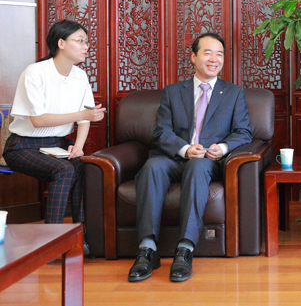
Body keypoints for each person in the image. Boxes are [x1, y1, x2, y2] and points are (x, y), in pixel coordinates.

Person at [128, 33, 252, 283]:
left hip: (208, 160)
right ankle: (147, 249)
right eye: (208, 53)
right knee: (152, 166)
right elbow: (161, 132)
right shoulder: (173, 92)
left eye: (219, 54)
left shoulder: (233, 93)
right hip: (176, 157)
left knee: (197, 167)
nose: (214, 59)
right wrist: (184, 149)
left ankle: (185, 249)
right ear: (193, 57)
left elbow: (243, 132)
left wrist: (223, 148)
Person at [2, 20, 106, 254]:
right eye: (80, 41)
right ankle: (51, 242)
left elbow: (86, 118)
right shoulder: (35, 72)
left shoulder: (80, 76)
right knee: (64, 169)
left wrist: (78, 147)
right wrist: (82, 114)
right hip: (22, 147)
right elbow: (38, 120)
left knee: (81, 164)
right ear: (61, 43)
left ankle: (80, 235)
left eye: (86, 41)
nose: (86, 46)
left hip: (58, 145)